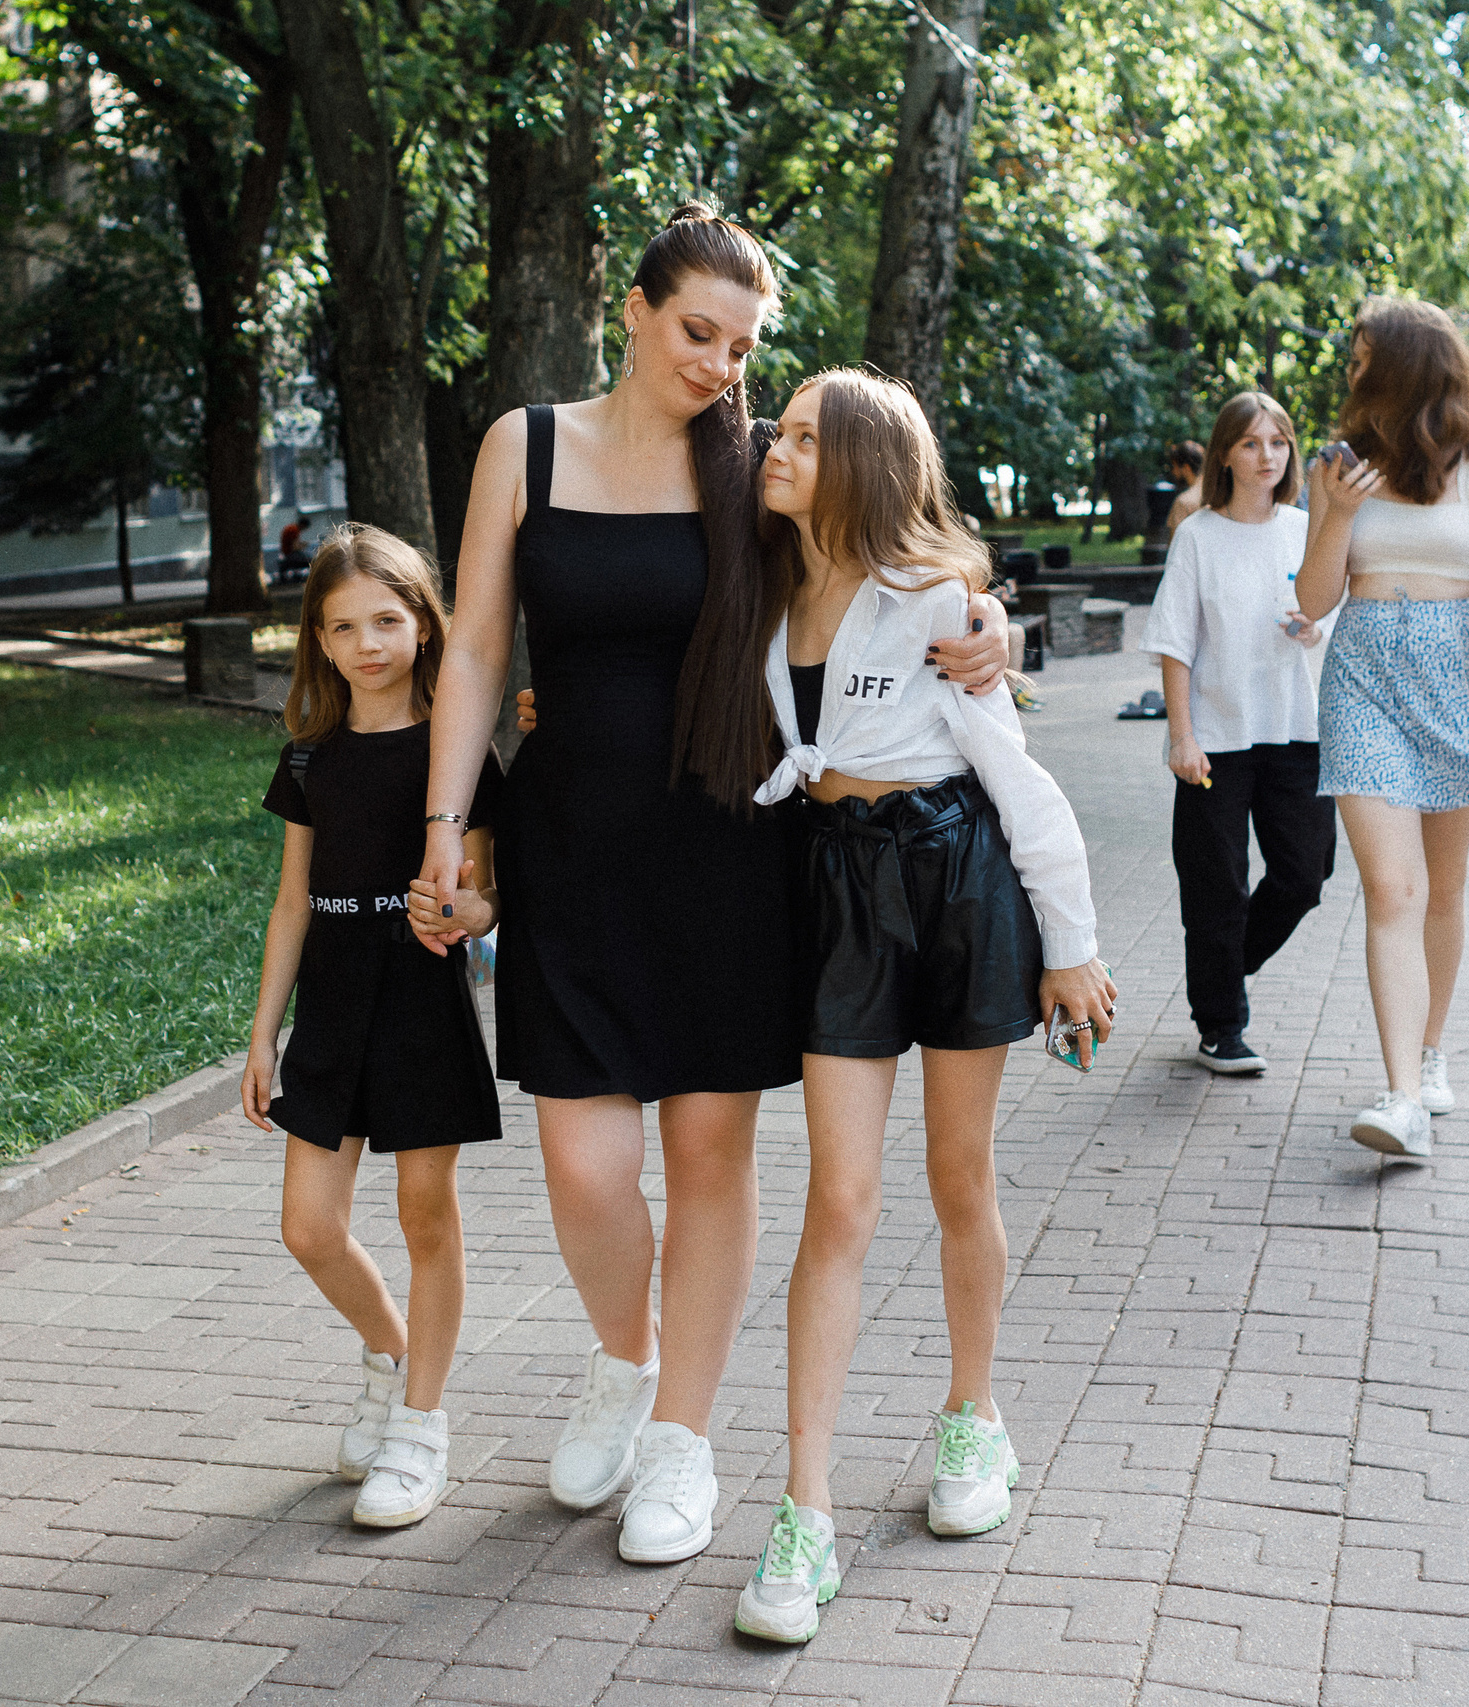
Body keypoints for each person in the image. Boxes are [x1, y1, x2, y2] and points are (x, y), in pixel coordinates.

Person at [413, 204, 1017, 1565]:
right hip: (573, 848)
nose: (719, 365)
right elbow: (478, 649)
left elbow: (896, 557)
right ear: (631, 310)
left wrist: (991, 623)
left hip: (731, 849)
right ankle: (626, 1357)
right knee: (585, 1166)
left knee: (705, 1155)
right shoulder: (525, 445)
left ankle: (682, 1439)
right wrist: (446, 820)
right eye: (697, 332)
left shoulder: (752, 466)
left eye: (742, 347)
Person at [729, 369, 1117, 1644]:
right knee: (838, 1199)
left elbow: (1016, 775)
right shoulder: (761, 583)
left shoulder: (940, 604)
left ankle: (973, 1417)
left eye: (801, 436)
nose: (773, 448)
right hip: (836, 887)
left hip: (957, 880)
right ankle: (805, 1510)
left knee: (962, 1175)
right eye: (777, 430)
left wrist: (1072, 945)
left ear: (858, 463)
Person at [240, 525, 506, 1528]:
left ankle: (423, 1424)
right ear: (317, 637)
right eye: (343, 626)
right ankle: (393, 1360)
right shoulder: (309, 758)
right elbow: (291, 904)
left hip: (420, 996)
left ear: (424, 625)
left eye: (387, 621)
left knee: (425, 1216)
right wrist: (263, 1035)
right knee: (308, 1227)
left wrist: (468, 912)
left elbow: (487, 898)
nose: (368, 644)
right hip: (331, 1003)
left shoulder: (456, 753)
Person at [1296, 297, 1469, 1161]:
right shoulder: (1338, 466)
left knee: (1442, 886)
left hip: (1455, 681)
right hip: (1362, 675)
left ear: (1408, 364)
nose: (1353, 372)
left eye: (1365, 357)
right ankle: (1401, 1094)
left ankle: (1431, 1051)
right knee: (1392, 889)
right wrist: (1334, 513)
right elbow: (1313, 600)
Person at [1142, 392, 1335, 1075]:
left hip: (1295, 731)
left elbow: (1328, 614)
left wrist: (1314, 627)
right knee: (1215, 887)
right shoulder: (1199, 534)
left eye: (1278, 442)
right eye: (1251, 443)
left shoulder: (1307, 529)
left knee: (1306, 873)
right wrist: (1181, 736)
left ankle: (1222, 968)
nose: (1267, 456)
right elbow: (1174, 642)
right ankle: (1221, 1025)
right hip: (1215, 739)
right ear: (1225, 453)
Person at [1163, 440, 1206, 536]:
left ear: (1186, 468)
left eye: (1174, 466)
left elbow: (1175, 543)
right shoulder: (1218, 494)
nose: (1173, 472)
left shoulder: (1183, 502)